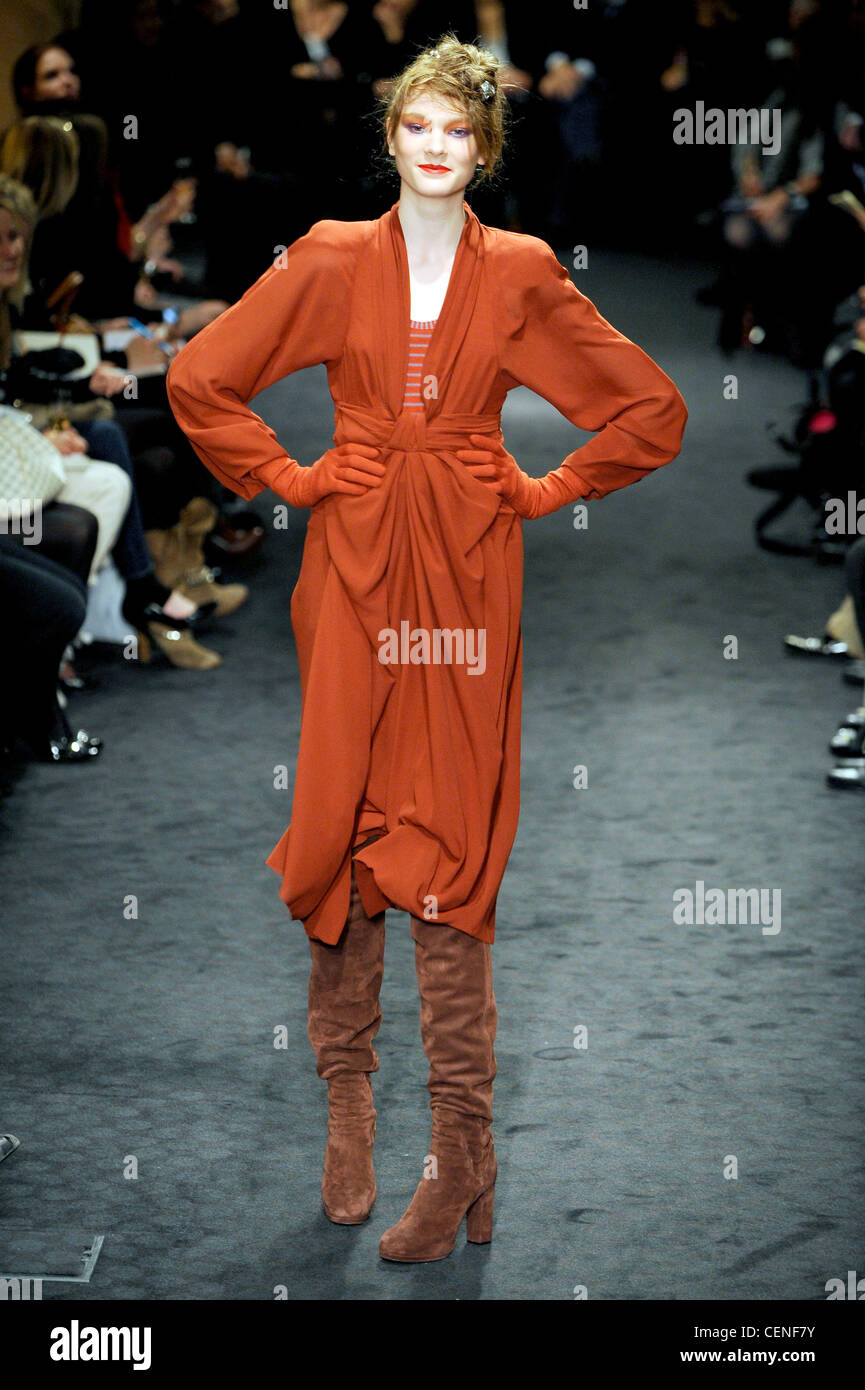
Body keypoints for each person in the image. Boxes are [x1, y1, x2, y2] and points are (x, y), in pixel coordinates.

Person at [166, 35, 688, 1263]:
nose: (437, 145)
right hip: (349, 564)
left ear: (485, 146)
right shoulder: (334, 252)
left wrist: (548, 487)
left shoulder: (520, 271)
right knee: (342, 818)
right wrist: (292, 476)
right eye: (417, 125)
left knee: (451, 834)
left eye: (460, 128)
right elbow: (201, 378)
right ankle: (348, 1107)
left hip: (463, 567)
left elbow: (650, 408)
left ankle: (461, 1155)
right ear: (392, 137)